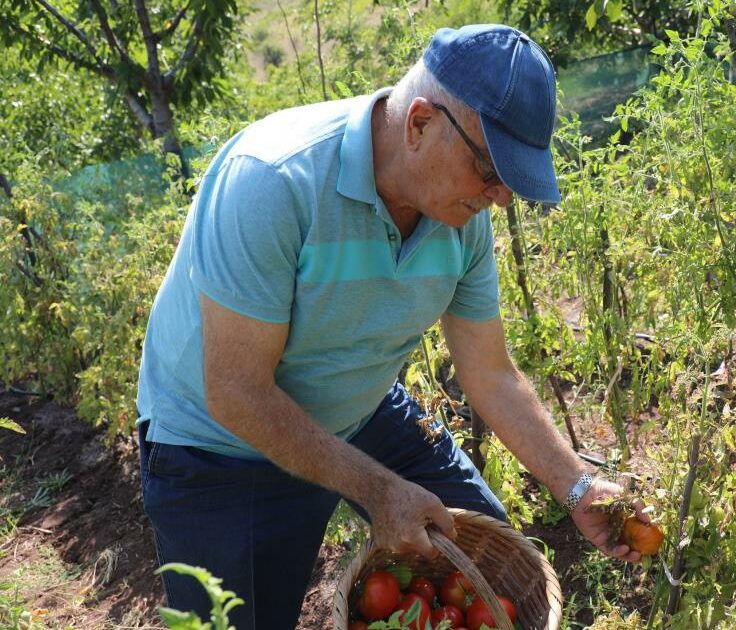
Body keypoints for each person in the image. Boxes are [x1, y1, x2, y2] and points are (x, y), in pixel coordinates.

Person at [136, 23, 648, 629]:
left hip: (360, 405)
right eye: (490, 168)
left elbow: (490, 374)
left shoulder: (462, 221)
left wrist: (577, 488)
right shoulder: (275, 181)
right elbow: (236, 391)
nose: (502, 197)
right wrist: (381, 491)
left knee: (488, 569)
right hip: (219, 446)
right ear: (421, 123)